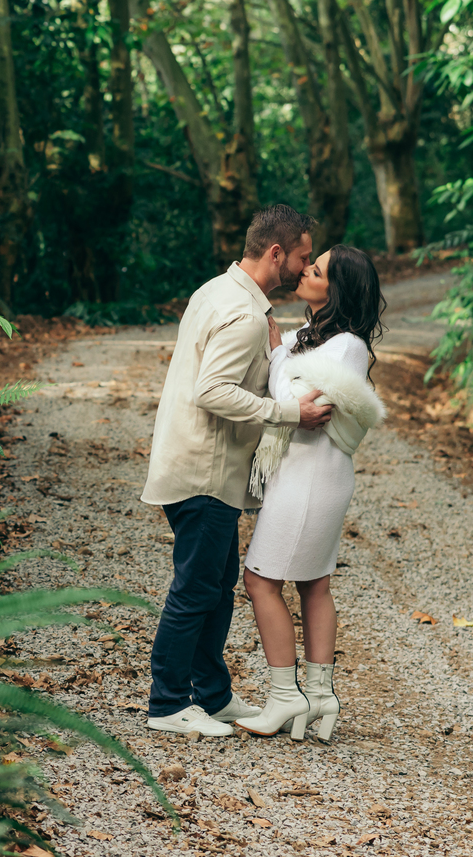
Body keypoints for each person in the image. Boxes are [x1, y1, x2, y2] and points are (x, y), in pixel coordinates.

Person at [140, 205, 334, 738]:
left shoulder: (215, 290)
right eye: (301, 256)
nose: (304, 266)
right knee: (197, 588)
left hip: (205, 468)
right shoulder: (245, 315)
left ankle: (214, 696)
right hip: (204, 469)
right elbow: (212, 390)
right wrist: (289, 412)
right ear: (277, 253)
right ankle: (166, 703)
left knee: (218, 584)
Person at [234, 245, 386, 742]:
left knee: (260, 581)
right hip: (300, 472)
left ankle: (285, 697)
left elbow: (297, 405)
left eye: (316, 271)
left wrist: (279, 359)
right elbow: (289, 397)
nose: (305, 271)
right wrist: (285, 359)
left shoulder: (347, 346)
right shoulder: (309, 335)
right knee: (314, 585)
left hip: (313, 476)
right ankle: (319, 694)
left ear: (336, 290)